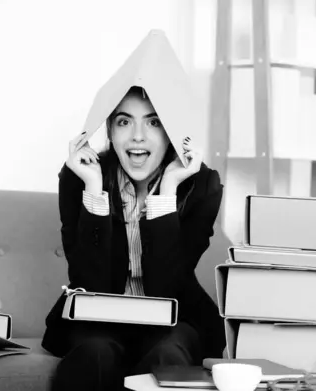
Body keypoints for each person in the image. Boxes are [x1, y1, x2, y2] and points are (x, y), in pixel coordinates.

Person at [41, 31, 225, 391]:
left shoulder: (203, 186)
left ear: (172, 131)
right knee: (96, 354)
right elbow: (89, 283)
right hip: (95, 323)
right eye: (125, 121)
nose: (137, 136)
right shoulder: (78, 178)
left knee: (168, 355)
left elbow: (167, 285)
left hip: (172, 321)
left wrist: (167, 192)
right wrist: (95, 190)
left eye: (154, 122)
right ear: (109, 128)